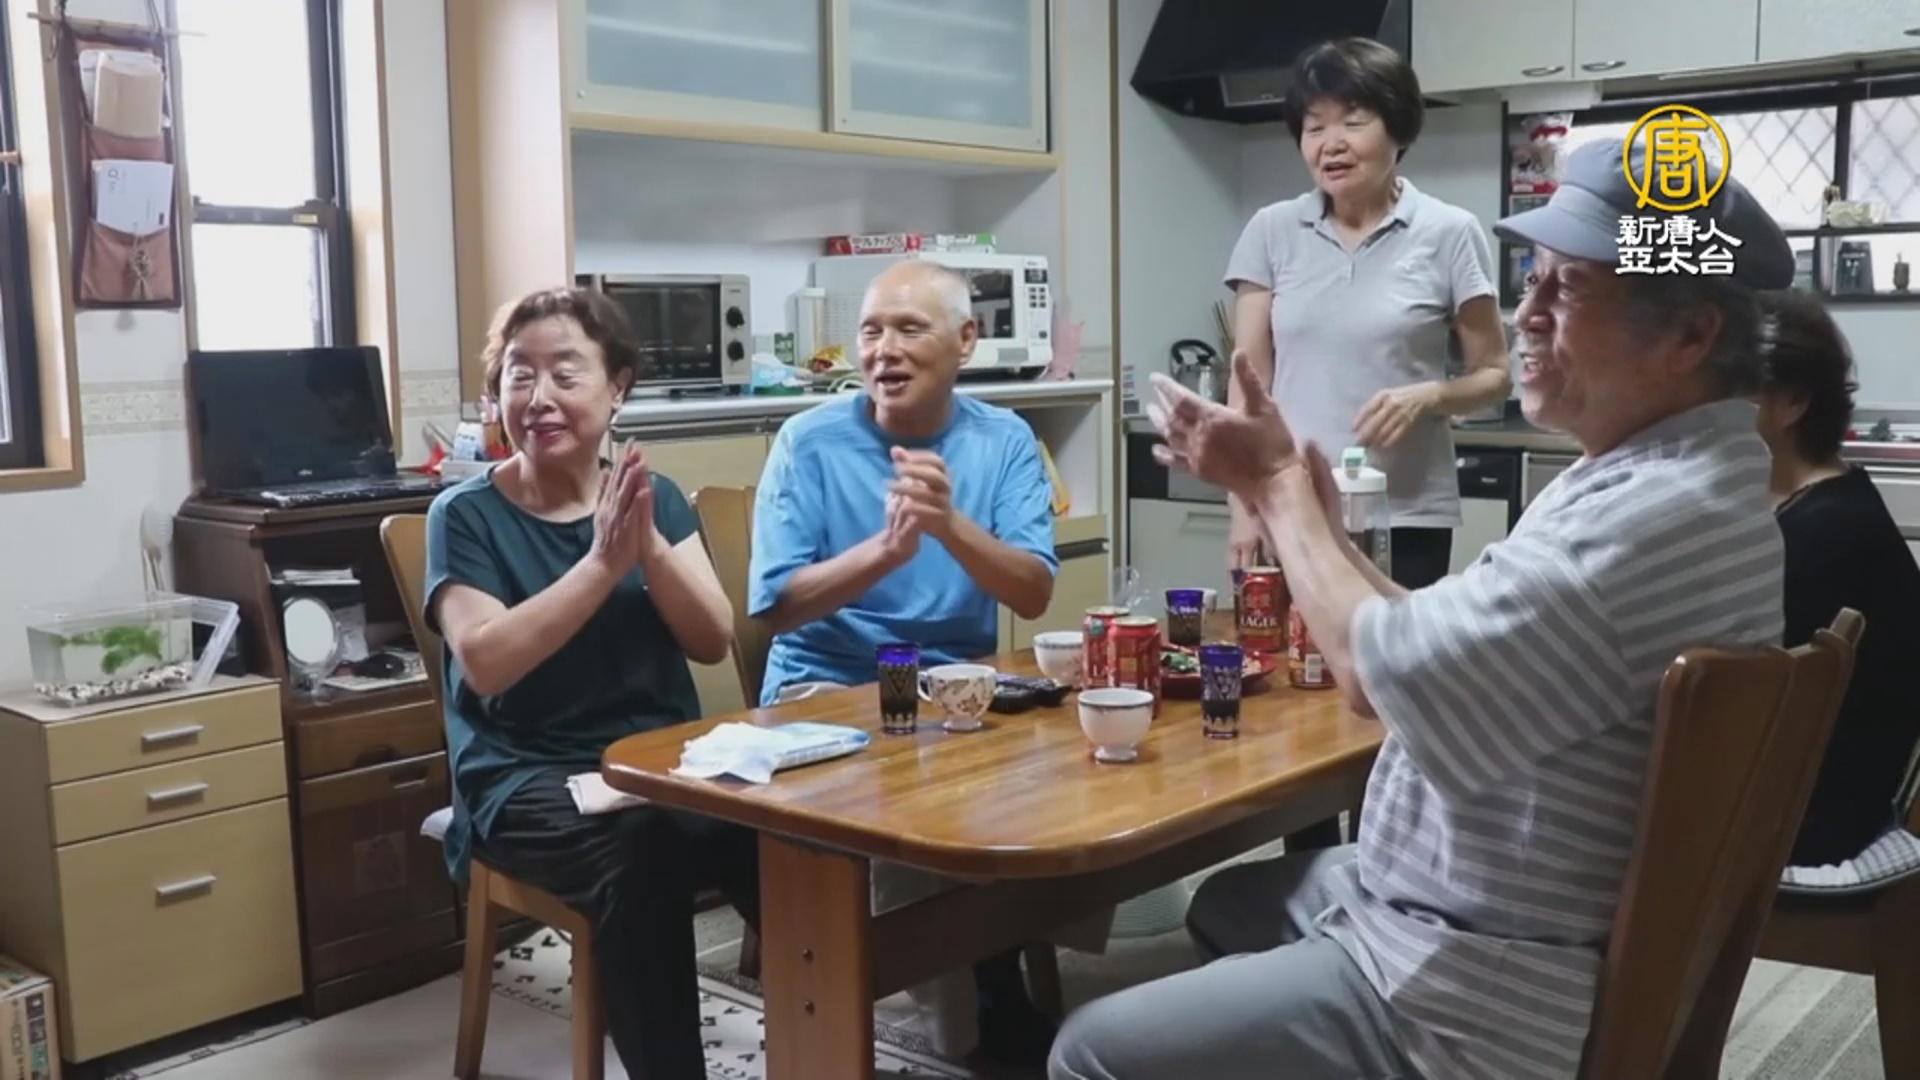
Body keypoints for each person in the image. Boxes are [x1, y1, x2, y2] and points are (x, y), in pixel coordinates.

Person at [1049, 136, 1796, 1080]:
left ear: (1689, 336)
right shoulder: (1686, 482)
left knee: (1090, 1051)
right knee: (1229, 902)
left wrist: (1277, 489)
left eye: (1567, 288)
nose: (1526, 314)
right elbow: (1440, 635)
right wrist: (1327, 533)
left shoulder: (1646, 521)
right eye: (1533, 279)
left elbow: (1380, 674)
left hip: (1474, 984)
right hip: (1501, 912)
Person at [423, 287, 760, 1080]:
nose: (538, 397)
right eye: (519, 375)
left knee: (775, 829)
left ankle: (831, 1039)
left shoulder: (655, 498)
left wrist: (648, 546)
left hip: (656, 766)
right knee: (642, 855)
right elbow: (486, 660)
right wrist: (603, 562)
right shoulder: (463, 515)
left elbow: (711, 638)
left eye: (565, 374)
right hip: (523, 777)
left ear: (618, 387)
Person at [747, 260, 1072, 1067]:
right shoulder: (809, 441)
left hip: (960, 689)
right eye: (870, 330)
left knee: (1079, 780)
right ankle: (970, 1036)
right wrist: (886, 551)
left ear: (965, 341)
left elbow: (1032, 593)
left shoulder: (1003, 440)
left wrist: (947, 524)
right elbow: (774, 605)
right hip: (825, 684)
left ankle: (995, 960)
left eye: (908, 329)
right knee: (900, 800)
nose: (883, 349)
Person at [1222, 37, 1511, 590]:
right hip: (1294, 506)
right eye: (1314, 127)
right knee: (1291, 647)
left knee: (1398, 647)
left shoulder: (1449, 232)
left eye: (1353, 123)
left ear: (1398, 130)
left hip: (1407, 515)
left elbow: (1495, 374)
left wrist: (1429, 396)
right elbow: (1247, 388)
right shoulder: (1271, 231)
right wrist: (1244, 503)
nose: (1331, 144)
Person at [1754, 289, 1920, 868]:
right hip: (1822, 807)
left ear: (1792, 401)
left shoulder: (1824, 534)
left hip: (1812, 827)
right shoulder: (1828, 501)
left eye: (1727, 391)